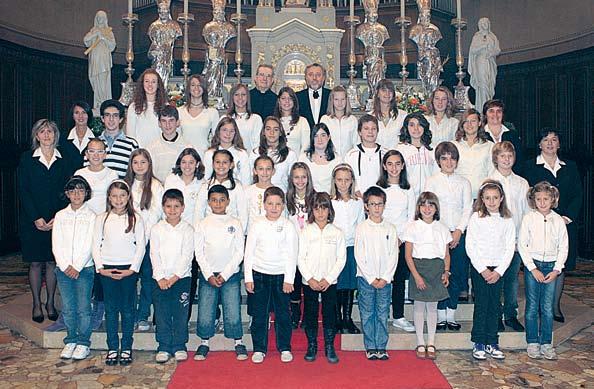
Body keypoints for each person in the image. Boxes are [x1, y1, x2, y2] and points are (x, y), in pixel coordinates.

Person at [18, 119, 78, 323]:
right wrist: (36, 217)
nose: (46, 135)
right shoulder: (27, 159)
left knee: (53, 262)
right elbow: (24, 191)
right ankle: (37, 303)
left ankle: (50, 302)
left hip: (57, 219)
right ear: (36, 136)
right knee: (35, 262)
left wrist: (57, 217)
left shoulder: (64, 159)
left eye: (50, 131)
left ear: (55, 135)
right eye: (42, 132)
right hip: (32, 219)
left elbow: (67, 190)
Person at [522, 128, 582, 323]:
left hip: (564, 224)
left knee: (559, 265)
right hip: (537, 224)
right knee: (537, 264)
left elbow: (577, 195)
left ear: (559, 144)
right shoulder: (528, 166)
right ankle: (538, 306)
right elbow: (527, 195)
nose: (550, 143)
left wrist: (567, 217)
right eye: (545, 140)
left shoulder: (570, 166)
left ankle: (554, 306)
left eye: (554, 139)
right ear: (539, 144)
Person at [93, 180, 145, 366]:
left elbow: (141, 246)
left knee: (128, 310)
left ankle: (127, 347)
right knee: (111, 309)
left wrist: (132, 269)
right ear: (109, 197)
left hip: (128, 270)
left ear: (128, 197)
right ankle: (113, 347)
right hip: (107, 269)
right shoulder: (101, 218)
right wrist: (101, 268)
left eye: (122, 195)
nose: (118, 199)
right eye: (114, 195)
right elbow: (95, 245)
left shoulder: (136, 218)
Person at [244, 186, 298, 364]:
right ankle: (259, 348)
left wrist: (289, 279)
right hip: (259, 275)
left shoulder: (288, 225)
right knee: (260, 314)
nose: (274, 207)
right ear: (264, 205)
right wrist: (249, 277)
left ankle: (285, 347)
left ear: (283, 205)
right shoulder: (257, 224)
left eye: (277, 204)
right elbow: (249, 252)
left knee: (283, 314)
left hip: (281, 276)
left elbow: (292, 253)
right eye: (270, 203)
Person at [194, 185, 247, 361]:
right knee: (206, 310)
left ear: (228, 202)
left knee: (232, 310)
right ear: (209, 202)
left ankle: (238, 341)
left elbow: (240, 251)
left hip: (230, 275)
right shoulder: (203, 224)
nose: (218, 203)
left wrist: (225, 273)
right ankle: (204, 342)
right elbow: (199, 252)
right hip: (207, 275)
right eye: (214, 200)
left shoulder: (235, 223)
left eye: (221, 200)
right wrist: (208, 274)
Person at [424, 141, 472, 331]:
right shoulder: (432, 181)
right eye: (444, 158)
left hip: (458, 234)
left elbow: (467, 208)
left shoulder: (464, 182)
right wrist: (444, 233)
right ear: (438, 161)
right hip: (438, 233)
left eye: (452, 158)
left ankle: (451, 314)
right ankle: (440, 313)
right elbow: (429, 209)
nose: (448, 162)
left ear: (457, 161)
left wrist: (459, 231)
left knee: (457, 274)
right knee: (439, 274)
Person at [466, 179, 515, 361]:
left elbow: (510, 247)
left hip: (499, 269)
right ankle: (478, 341)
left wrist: (499, 271)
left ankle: (492, 342)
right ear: (482, 199)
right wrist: (483, 270)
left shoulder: (507, 219)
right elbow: (470, 245)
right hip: (481, 269)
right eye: (488, 198)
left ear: (501, 198)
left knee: (495, 305)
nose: (492, 201)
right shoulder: (476, 218)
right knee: (482, 304)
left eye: (495, 197)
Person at [519, 182, 568, 360]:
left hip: (551, 267)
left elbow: (564, 247)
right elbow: (522, 245)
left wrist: (557, 269)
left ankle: (546, 343)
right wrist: (531, 268)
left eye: (546, 199)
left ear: (552, 199)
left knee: (547, 307)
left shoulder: (558, 220)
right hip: (534, 266)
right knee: (532, 306)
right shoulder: (528, 218)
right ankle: (532, 341)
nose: (542, 202)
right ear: (533, 200)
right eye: (538, 199)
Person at [402, 192, 451, 360]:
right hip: (419, 267)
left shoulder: (442, 227)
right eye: (424, 205)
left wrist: (446, 271)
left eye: (431, 205)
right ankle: (420, 342)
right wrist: (416, 276)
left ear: (436, 208)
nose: (427, 208)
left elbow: (446, 254)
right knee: (419, 306)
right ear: (418, 208)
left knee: (432, 307)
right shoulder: (412, 227)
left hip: (436, 268)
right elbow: (408, 255)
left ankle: (431, 342)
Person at [298, 192, 346, 363]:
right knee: (310, 314)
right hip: (309, 281)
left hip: (329, 282)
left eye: (324, 208)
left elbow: (341, 259)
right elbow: (300, 258)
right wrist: (310, 278)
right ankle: (312, 345)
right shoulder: (305, 232)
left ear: (329, 210)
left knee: (329, 314)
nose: (320, 212)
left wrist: (329, 278)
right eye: (316, 208)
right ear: (311, 210)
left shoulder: (337, 232)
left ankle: (329, 346)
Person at [52, 176, 96, 361]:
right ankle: (71, 339)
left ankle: (83, 342)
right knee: (69, 308)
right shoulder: (61, 215)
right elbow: (56, 243)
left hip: (84, 269)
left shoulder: (92, 216)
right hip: (63, 269)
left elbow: (90, 244)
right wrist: (64, 265)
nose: (76, 194)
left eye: (81, 190)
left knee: (84, 308)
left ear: (86, 193)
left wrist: (77, 266)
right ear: (67, 194)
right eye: (73, 191)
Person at [355, 186, 398, 360]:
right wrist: (372, 278)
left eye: (379, 204)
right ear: (366, 206)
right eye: (372, 204)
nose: (376, 208)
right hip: (366, 279)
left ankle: (381, 345)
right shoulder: (362, 228)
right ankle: (370, 346)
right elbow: (359, 254)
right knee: (367, 312)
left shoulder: (390, 228)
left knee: (382, 312)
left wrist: (386, 277)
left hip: (386, 280)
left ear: (384, 205)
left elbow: (393, 254)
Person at [489, 141, 529, 331]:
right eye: (502, 156)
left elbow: (526, 212)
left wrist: (523, 238)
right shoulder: (489, 182)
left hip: (515, 240)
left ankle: (510, 315)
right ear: (495, 159)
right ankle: (495, 315)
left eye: (509, 156)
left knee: (512, 279)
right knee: (497, 279)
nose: (506, 159)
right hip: (495, 241)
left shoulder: (522, 183)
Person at [151, 189, 194, 363]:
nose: (172, 210)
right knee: (161, 313)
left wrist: (175, 277)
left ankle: (179, 345)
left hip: (182, 279)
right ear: (163, 207)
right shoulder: (157, 229)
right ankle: (163, 345)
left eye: (176, 206)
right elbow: (154, 254)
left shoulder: (188, 229)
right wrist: (161, 277)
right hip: (160, 279)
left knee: (180, 313)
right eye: (168, 206)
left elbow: (187, 255)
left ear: (183, 207)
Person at [124, 149, 164, 332]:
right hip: (128, 241)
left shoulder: (156, 186)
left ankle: (143, 316)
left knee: (148, 281)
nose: (139, 166)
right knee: (130, 281)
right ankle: (130, 314)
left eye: (143, 162)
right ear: (131, 165)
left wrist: (145, 234)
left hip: (149, 241)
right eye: (136, 162)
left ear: (149, 165)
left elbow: (157, 214)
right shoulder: (124, 185)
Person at [163, 147, 205, 320]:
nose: (187, 166)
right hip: (171, 231)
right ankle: (162, 317)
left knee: (190, 273)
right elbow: (164, 204)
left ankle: (184, 316)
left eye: (191, 162)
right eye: (184, 162)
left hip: (193, 234)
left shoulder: (203, 182)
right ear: (179, 164)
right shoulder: (171, 179)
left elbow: (202, 210)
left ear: (197, 164)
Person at [376, 150, 416, 333]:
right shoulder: (378, 189)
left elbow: (411, 217)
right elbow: (376, 214)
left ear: (403, 166)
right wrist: (387, 237)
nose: (394, 168)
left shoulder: (409, 190)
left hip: (401, 241)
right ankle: (379, 315)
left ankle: (398, 316)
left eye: (398, 163)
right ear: (384, 166)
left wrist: (400, 238)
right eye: (390, 164)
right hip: (381, 240)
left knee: (399, 280)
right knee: (381, 278)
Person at [330, 164, 364, 334]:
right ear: (334, 181)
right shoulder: (329, 201)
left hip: (351, 247)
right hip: (334, 248)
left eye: (347, 180)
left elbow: (360, 225)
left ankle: (347, 319)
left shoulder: (357, 202)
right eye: (339, 180)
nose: (343, 184)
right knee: (337, 284)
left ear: (352, 182)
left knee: (350, 284)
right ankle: (336, 319)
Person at [286, 162, 316, 328]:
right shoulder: (287, 199)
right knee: (295, 283)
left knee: (308, 282)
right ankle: (295, 312)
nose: (300, 181)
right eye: (296, 177)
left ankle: (308, 316)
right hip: (292, 248)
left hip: (310, 248)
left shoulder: (315, 197)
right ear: (291, 179)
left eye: (303, 177)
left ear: (308, 178)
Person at [195, 149, 248, 233]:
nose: (221, 165)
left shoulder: (237, 187)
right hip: (209, 231)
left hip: (230, 232)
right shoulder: (205, 186)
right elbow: (198, 213)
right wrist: (198, 233)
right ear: (212, 164)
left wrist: (239, 235)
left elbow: (243, 214)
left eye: (225, 162)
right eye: (217, 162)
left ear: (231, 165)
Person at [453, 108, 494, 199]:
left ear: (479, 123)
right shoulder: (454, 146)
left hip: (482, 197)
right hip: (459, 196)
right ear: (462, 124)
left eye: (473, 121)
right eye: (466, 121)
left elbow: (492, 172)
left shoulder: (489, 146)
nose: (469, 124)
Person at [250, 116, 298, 192]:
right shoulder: (255, 153)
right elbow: (251, 179)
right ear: (263, 132)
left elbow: (293, 181)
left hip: (281, 196)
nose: (271, 133)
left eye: (275, 129)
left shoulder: (290, 154)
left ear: (280, 132)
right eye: (268, 129)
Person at [396, 113, 438, 197]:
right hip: (407, 195)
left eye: (419, 125)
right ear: (406, 128)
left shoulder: (433, 150)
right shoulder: (400, 149)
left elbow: (437, 175)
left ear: (424, 127)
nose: (416, 129)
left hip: (428, 196)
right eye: (412, 125)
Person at [344, 114, 388, 195]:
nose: (370, 132)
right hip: (358, 199)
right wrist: (357, 193)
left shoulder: (385, 154)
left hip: (381, 200)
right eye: (366, 128)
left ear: (378, 131)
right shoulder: (351, 155)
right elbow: (347, 177)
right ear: (359, 132)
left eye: (373, 129)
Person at [95, 99, 139, 178]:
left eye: (115, 115)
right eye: (107, 115)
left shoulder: (132, 144)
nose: (111, 119)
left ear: (121, 119)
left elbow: (136, 172)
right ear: (102, 118)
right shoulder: (93, 144)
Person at [146, 105, 191, 182]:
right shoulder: (151, 148)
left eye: (171, 120)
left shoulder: (187, 148)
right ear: (159, 123)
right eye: (164, 121)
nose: (167, 125)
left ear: (177, 122)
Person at [178, 74, 220, 157]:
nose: (196, 88)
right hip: (184, 158)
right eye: (193, 85)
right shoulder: (179, 111)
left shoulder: (212, 113)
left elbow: (217, 139)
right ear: (189, 89)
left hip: (204, 156)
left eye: (199, 85)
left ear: (204, 89)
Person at [75, 138, 118, 215]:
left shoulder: (112, 174)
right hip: (84, 218)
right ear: (87, 154)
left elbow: (115, 201)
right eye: (92, 151)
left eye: (100, 151)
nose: (96, 155)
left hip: (105, 217)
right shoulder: (79, 174)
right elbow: (76, 200)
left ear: (105, 155)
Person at [83, 10, 116, 112]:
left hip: (104, 60)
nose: (100, 20)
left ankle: (104, 102)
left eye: (102, 17)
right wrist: (95, 34)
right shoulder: (93, 30)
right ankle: (97, 103)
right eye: (99, 17)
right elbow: (86, 41)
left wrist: (104, 38)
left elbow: (112, 45)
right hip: (95, 59)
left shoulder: (108, 32)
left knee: (103, 81)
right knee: (96, 81)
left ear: (105, 19)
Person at [126, 69, 168, 148]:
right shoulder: (133, 107)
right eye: (147, 81)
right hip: (140, 154)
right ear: (142, 84)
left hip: (160, 152)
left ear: (158, 85)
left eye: (153, 82)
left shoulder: (165, 106)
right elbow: (130, 136)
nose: (150, 85)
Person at [203, 117, 251, 186]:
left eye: (231, 131)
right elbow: (206, 179)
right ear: (218, 131)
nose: (228, 134)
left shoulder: (242, 154)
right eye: (224, 130)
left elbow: (246, 181)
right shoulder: (209, 154)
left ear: (235, 133)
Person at [299, 123, 343, 193]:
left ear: (329, 137)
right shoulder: (303, 158)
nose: (320, 139)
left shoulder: (337, 159)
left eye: (323, 135)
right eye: (316, 136)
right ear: (312, 139)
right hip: (309, 199)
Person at [468, 17, 500, 112]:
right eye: (482, 23)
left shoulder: (493, 37)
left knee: (489, 84)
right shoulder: (476, 37)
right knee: (482, 84)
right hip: (480, 61)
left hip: (490, 62)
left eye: (486, 22)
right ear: (479, 25)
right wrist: (482, 46)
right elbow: (473, 50)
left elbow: (498, 50)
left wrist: (491, 53)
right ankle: (482, 108)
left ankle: (488, 105)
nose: (484, 24)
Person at [482, 99, 523, 169]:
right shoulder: (480, 135)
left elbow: (519, 162)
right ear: (485, 114)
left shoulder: (513, 135)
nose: (495, 114)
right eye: (491, 111)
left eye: (499, 111)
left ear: (503, 114)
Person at [223, 83, 263, 153]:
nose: (240, 98)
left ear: (248, 97)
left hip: (249, 160)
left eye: (243, 95)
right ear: (232, 97)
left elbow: (257, 145)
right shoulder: (225, 118)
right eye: (236, 95)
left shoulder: (256, 119)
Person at [320, 85, 359, 156]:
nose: (340, 103)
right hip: (330, 160)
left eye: (343, 99)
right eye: (336, 99)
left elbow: (356, 143)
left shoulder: (352, 120)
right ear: (332, 101)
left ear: (346, 100)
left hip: (348, 161)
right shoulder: (325, 119)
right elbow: (322, 143)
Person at [369, 79, 407, 150]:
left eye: (390, 91)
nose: (387, 94)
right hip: (376, 157)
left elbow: (407, 140)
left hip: (397, 157)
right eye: (384, 90)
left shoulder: (403, 116)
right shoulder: (369, 116)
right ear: (377, 93)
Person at [274, 86, 310, 155]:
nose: (287, 101)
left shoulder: (302, 121)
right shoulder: (273, 121)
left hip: (297, 162)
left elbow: (306, 147)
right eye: (283, 98)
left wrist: (299, 163)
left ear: (294, 101)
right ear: (278, 101)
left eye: (290, 98)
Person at [296, 63, 331, 128]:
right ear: (306, 78)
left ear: (323, 78)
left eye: (318, 75)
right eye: (310, 75)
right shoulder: (297, 97)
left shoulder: (331, 96)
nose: (314, 78)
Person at [246, 156, 275, 231]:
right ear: (255, 171)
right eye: (261, 169)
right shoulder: (248, 191)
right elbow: (244, 215)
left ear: (273, 171)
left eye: (268, 169)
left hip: (272, 231)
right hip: (252, 233)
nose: (264, 172)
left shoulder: (278, 191)